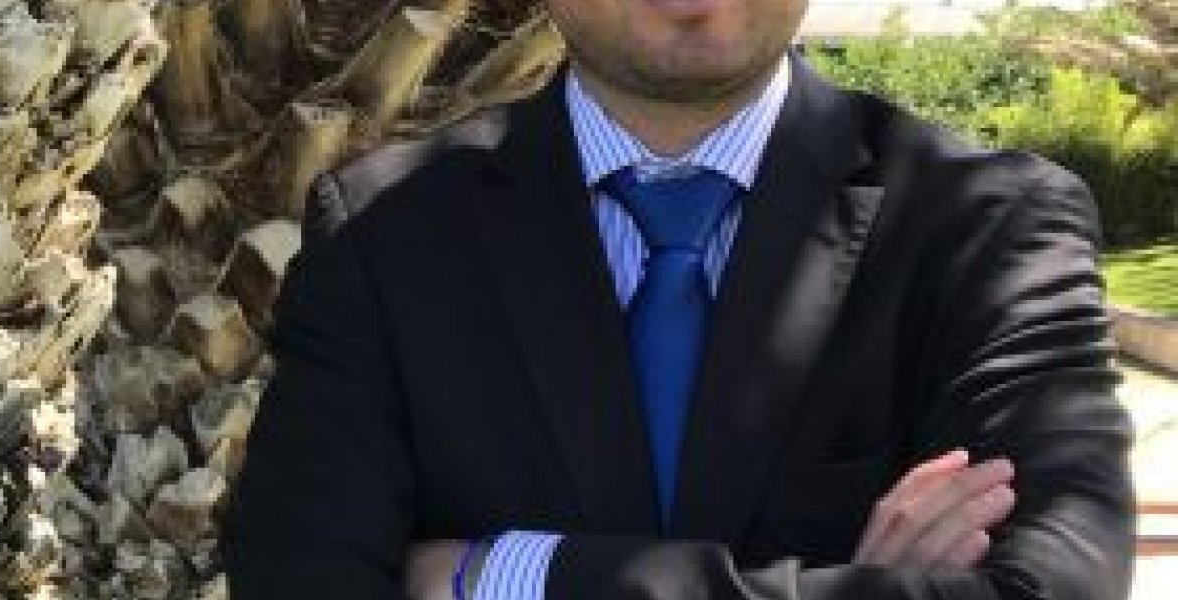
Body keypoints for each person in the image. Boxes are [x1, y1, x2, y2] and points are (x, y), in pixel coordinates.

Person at [221, 0, 1135, 599]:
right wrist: (858, 584)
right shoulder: (384, 234)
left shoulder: (989, 228)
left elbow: (1051, 586)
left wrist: (504, 572)